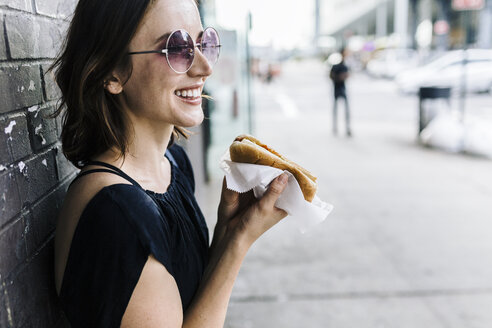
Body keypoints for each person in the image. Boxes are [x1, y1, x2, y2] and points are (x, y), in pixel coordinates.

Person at [51, 0, 288, 326]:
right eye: (177, 49)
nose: (205, 67)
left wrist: (228, 233)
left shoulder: (172, 164)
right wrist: (238, 245)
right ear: (111, 72)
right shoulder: (118, 217)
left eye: (204, 44)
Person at [329, 48, 352, 137]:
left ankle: (346, 128)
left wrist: (342, 76)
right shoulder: (336, 66)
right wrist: (340, 77)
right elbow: (331, 76)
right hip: (337, 89)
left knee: (345, 110)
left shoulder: (345, 66)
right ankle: (336, 127)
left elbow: (347, 76)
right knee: (337, 110)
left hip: (342, 89)